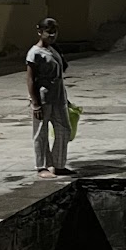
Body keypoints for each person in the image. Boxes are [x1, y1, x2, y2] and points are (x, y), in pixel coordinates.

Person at [26, 18, 72, 178]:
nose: (52, 35)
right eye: (48, 32)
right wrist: (35, 104)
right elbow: (31, 79)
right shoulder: (35, 53)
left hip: (59, 98)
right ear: (40, 32)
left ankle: (58, 164)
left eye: (54, 32)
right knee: (41, 132)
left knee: (64, 129)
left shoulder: (54, 49)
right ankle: (42, 166)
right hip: (43, 98)